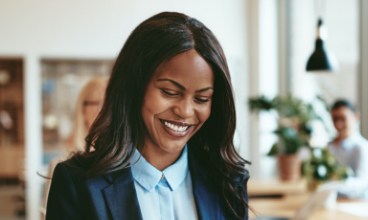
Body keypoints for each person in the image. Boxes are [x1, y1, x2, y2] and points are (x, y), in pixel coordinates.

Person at [46, 11, 250, 220]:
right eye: (170, 92)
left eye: (202, 99)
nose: (185, 111)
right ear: (134, 87)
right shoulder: (77, 184)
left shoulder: (227, 182)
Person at [41, 76, 108, 216]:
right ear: (83, 110)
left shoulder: (120, 159)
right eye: (100, 103)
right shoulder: (62, 165)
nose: (107, 111)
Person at [328, 99, 368, 178]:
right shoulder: (329, 147)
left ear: (356, 117)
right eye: (334, 119)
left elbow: (362, 182)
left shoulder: (362, 147)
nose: (338, 124)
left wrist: (332, 185)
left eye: (343, 118)